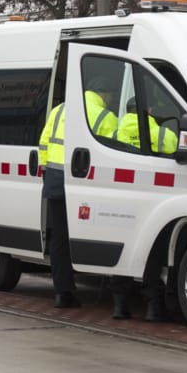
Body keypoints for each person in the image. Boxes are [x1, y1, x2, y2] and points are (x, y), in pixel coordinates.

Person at [36, 76, 117, 308]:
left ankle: (62, 293)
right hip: (86, 185)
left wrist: (46, 171)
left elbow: (43, 142)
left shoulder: (59, 110)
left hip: (55, 182)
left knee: (59, 240)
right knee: (95, 235)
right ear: (105, 95)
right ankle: (109, 291)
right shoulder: (105, 116)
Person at [108, 98, 175, 321]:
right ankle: (152, 307)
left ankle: (119, 305)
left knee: (123, 252)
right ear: (151, 111)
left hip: (122, 199)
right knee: (152, 255)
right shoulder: (163, 134)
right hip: (152, 200)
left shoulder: (115, 132)